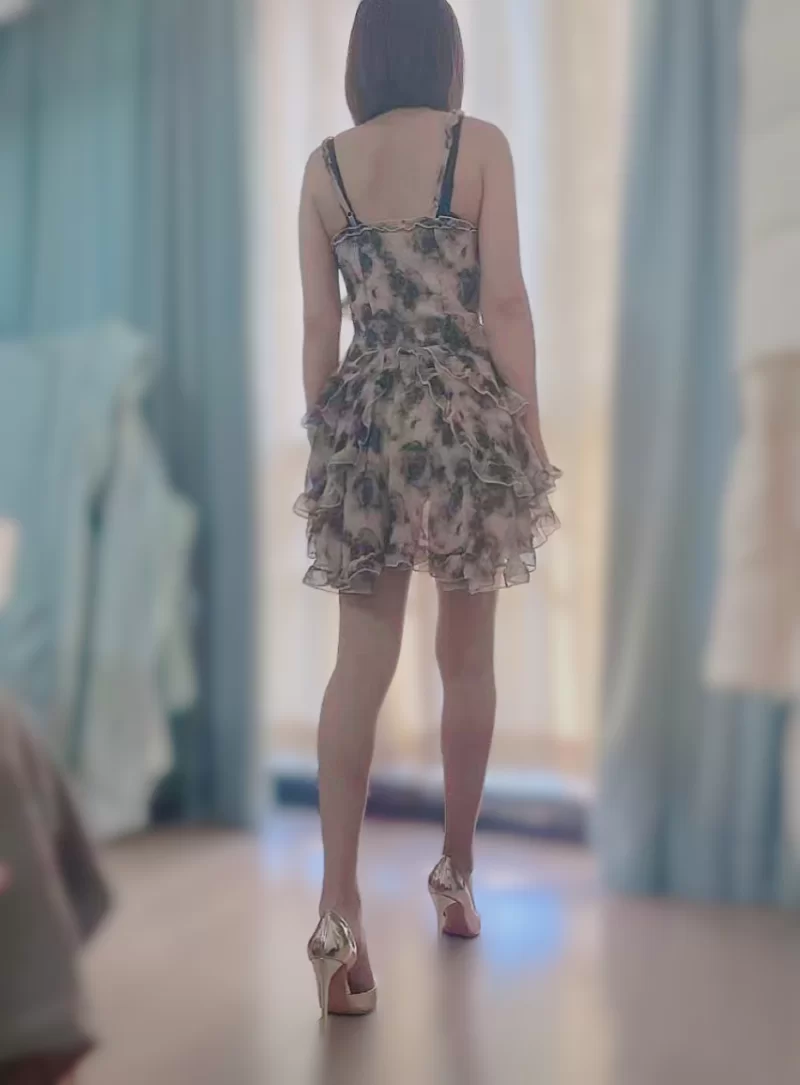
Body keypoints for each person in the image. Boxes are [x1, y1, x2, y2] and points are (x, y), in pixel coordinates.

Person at [296, 0, 560, 1019]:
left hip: (365, 422)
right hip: (461, 422)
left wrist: (327, 436)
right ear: (445, 53)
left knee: (356, 666)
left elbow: (319, 329)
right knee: (467, 662)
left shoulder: (324, 168)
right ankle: (454, 874)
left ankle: (335, 913)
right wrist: (527, 429)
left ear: (361, 60)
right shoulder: (477, 145)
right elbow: (506, 305)